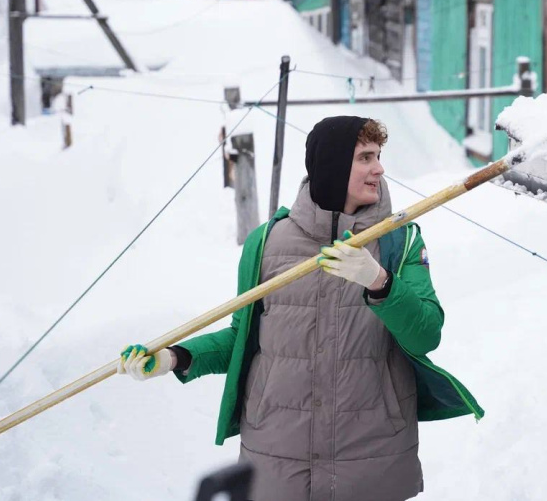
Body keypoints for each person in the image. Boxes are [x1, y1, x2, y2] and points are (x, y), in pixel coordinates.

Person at [118, 116, 483, 501]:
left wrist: (380, 283)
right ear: (333, 165)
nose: (379, 168)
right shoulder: (266, 243)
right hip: (277, 453)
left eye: (378, 156)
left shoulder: (400, 241)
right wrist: (173, 357)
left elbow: (426, 333)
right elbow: (241, 338)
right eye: (365, 158)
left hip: (371, 455)